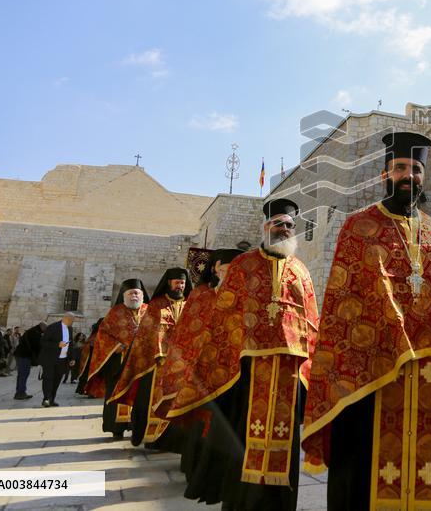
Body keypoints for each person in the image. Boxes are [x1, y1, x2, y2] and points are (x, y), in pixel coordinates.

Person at [302, 131, 431, 511]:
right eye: (399, 168)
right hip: (376, 372)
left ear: (423, 177)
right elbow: (342, 306)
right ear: (385, 175)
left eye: (415, 169)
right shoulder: (358, 228)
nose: (407, 176)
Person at [169, 206, 319, 509]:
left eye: (289, 225)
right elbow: (224, 314)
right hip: (248, 371)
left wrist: (312, 368)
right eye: (277, 223)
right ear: (265, 228)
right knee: (242, 437)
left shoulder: (302, 271)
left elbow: (312, 320)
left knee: (285, 443)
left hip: (290, 372)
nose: (284, 229)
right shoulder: (244, 265)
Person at [152, 247, 240, 491]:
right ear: (216, 268)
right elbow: (188, 334)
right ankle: (196, 469)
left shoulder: (241, 297)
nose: (233, 274)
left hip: (232, 373)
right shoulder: (201, 295)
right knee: (200, 425)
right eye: (228, 268)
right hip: (200, 372)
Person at [109, 268, 191, 447]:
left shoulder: (190, 305)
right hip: (157, 364)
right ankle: (152, 438)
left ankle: (173, 441)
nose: (180, 286)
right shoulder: (156, 305)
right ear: (169, 283)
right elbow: (149, 333)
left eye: (183, 283)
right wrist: (160, 352)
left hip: (182, 365)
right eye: (177, 282)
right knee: (151, 400)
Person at [84, 279, 148, 438]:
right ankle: (116, 428)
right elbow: (103, 334)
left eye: (137, 293)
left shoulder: (149, 310)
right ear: (124, 295)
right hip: (118, 364)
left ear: (142, 295)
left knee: (141, 397)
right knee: (116, 395)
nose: (134, 296)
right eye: (131, 293)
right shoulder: (115, 312)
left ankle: (137, 427)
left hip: (142, 363)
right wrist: (116, 346)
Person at [39, 312, 75, 407]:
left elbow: (70, 344)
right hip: (50, 359)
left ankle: (52, 399)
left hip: (62, 360)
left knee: (57, 380)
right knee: (48, 378)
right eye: (72, 320)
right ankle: (46, 399)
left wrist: (71, 358)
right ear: (66, 318)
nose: (73, 322)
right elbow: (43, 342)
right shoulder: (53, 327)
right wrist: (57, 345)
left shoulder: (70, 329)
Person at [13, 321, 44, 400]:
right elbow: (36, 346)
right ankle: (20, 393)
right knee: (23, 374)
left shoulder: (34, 331)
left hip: (23, 355)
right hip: (24, 356)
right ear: (42, 326)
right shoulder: (35, 332)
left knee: (22, 374)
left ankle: (20, 392)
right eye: (45, 328)